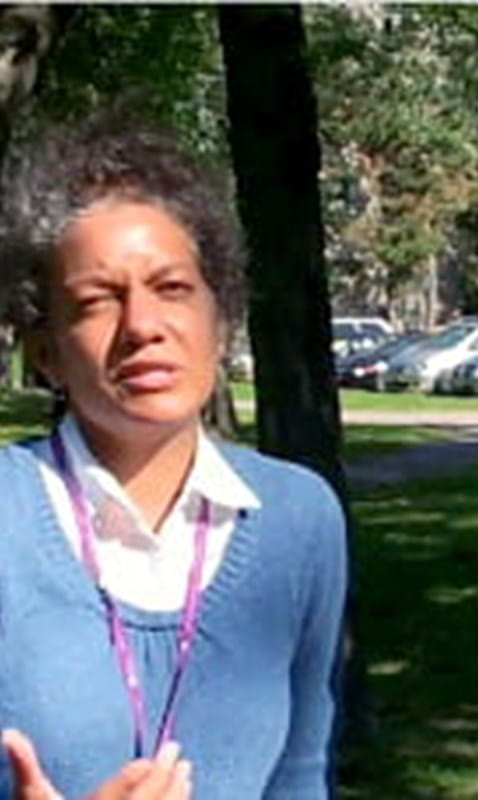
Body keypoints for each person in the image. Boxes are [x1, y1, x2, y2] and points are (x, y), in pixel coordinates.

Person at [0, 112, 347, 799]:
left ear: (221, 321)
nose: (142, 326)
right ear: (46, 352)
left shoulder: (300, 521)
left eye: (172, 289)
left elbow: (300, 777)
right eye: (97, 301)